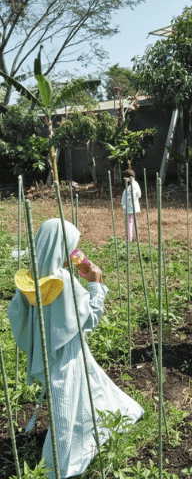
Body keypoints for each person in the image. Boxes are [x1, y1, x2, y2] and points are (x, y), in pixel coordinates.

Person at [8, 219, 144, 479]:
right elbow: (90, 319)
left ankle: (101, 422)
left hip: (49, 353)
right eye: (71, 247)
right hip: (68, 355)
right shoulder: (64, 283)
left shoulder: (28, 280)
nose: (74, 253)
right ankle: (56, 464)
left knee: (90, 386)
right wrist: (95, 283)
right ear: (62, 248)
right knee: (64, 406)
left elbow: (18, 316)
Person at [120, 164, 141, 242]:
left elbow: (131, 198)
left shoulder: (132, 186)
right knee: (132, 223)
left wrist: (127, 206)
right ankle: (133, 237)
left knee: (129, 224)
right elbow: (139, 195)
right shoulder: (133, 184)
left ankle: (129, 239)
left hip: (130, 208)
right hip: (131, 208)